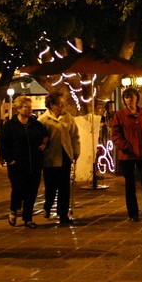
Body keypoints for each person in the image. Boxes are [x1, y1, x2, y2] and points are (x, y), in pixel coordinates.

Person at [0, 95, 49, 228]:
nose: (29, 109)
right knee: (18, 189)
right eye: (26, 107)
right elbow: (4, 144)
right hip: (17, 165)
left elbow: (45, 136)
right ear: (18, 109)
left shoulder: (35, 124)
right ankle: (13, 211)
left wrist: (44, 144)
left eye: (30, 107)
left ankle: (28, 218)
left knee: (32, 191)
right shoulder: (10, 126)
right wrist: (10, 160)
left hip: (34, 164)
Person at [111, 87, 142, 222]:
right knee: (130, 184)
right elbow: (116, 134)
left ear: (137, 98)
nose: (129, 100)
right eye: (126, 97)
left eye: (131, 97)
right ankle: (133, 213)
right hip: (127, 155)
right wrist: (125, 146)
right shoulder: (120, 115)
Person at [39, 92, 80, 226]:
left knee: (64, 187)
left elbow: (74, 136)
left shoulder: (67, 118)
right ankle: (47, 206)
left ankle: (63, 214)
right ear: (51, 105)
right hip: (50, 158)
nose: (62, 106)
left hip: (65, 156)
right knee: (51, 187)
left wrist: (75, 151)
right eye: (59, 104)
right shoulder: (43, 120)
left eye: (63, 104)